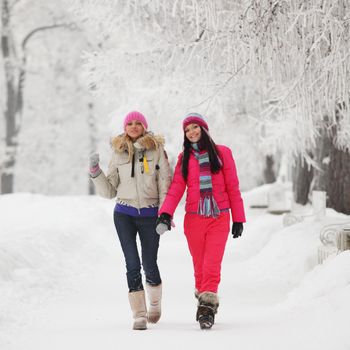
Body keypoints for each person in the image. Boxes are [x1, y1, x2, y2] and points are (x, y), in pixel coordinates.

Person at [156, 112, 245, 330]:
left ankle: (206, 308)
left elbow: (233, 187)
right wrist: (166, 213)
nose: (192, 132)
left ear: (203, 129)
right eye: (187, 130)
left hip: (219, 216)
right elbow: (177, 187)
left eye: (195, 127)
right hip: (194, 219)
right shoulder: (184, 158)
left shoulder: (223, 153)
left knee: (211, 264)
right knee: (199, 267)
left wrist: (238, 218)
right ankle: (204, 301)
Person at [89, 111, 172, 330]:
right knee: (132, 264)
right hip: (124, 214)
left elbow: (165, 184)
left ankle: (154, 303)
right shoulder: (118, 153)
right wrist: (95, 173)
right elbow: (109, 191)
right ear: (125, 127)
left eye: (138, 123)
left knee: (149, 263)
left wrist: (165, 214)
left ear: (144, 127)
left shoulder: (157, 150)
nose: (134, 127)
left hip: (150, 215)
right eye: (130, 124)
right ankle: (139, 314)